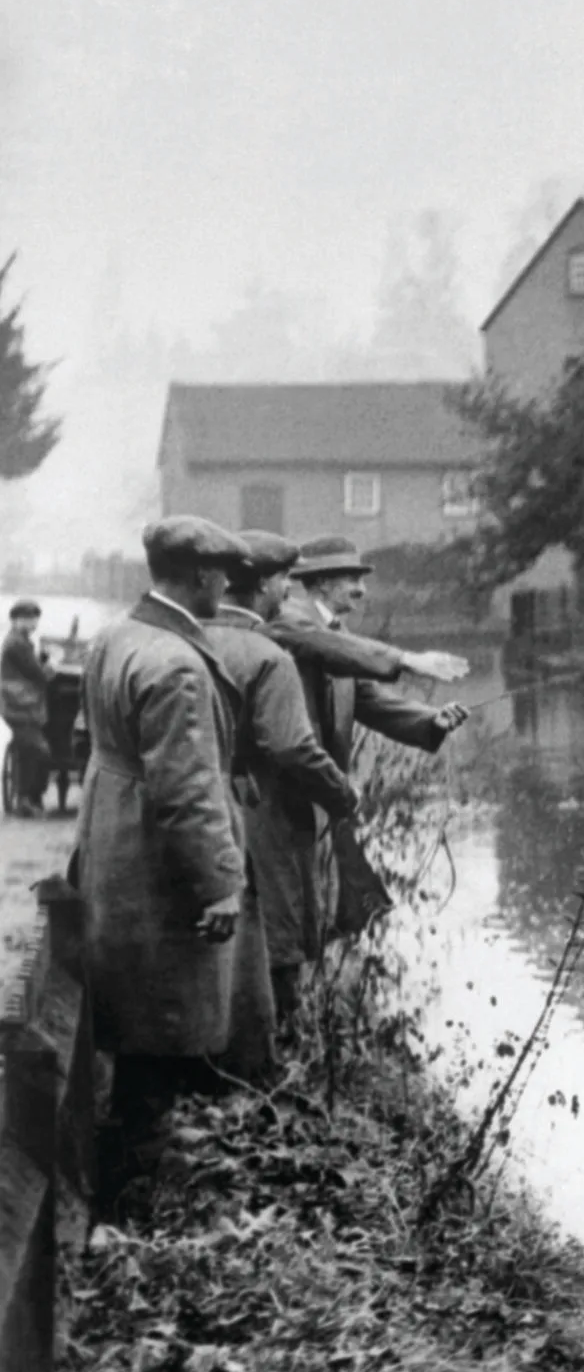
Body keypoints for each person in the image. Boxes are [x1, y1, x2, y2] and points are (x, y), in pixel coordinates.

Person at [77, 518, 252, 1214]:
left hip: (113, 844)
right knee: (159, 1028)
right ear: (202, 576)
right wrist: (219, 883)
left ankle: (123, 1181)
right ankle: (132, 1200)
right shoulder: (176, 663)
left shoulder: (115, 635)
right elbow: (187, 789)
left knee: (133, 1023)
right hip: (154, 864)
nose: (228, 586)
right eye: (223, 574)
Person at [200, 531, 361, 1059]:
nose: (288, 589)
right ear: (265, 584)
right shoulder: (268, 654)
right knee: (279, 925)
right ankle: (277, 1053)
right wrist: (341, 792)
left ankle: (214, 1047)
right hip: (264, 808)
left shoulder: (185, 639)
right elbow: (293, 746)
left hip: (200, 809)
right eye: (284, 579)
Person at [265, 534, 467, 940]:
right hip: (284, 798)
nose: (362, 590)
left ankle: (318, 969)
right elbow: (327, 646)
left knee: (341, 906)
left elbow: (368, 700)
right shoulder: (288, 620)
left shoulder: (336, 634)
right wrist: (406, 659)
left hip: (323, 796)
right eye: (352, 580)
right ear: (322, 582)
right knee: (295, 912)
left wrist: (431, 721)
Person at [2, 599, 48, 815]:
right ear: (15, 620)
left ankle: (31, 797)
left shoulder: (19, 641)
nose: (32, 623)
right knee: (37, 749)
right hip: (19, 706)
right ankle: (26, 799)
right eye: (27, 619)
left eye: (34, 619)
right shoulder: (17, 644)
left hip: (20, 705)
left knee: (35, 748)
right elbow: (38, 674)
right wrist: (49, 668)